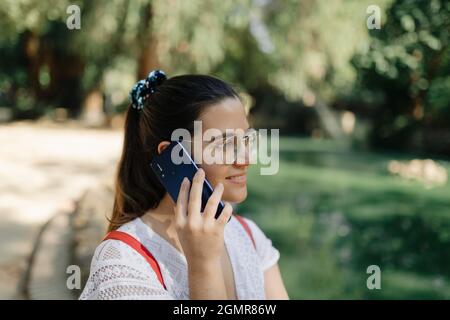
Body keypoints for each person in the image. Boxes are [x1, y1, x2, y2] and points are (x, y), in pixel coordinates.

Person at [79, 70, 289, 300]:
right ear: (174, 156)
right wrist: (203, 264)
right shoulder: (121, 264)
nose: (246, 158)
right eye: (225, 143)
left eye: (246, 139)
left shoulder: (248, 236)